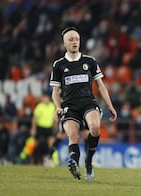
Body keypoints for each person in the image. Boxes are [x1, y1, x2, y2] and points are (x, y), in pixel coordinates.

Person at [50, 27, 117, 181]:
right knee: (73, 136)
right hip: (69, 106)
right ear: (64, 43)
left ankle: (88, 161)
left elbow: (100, 85)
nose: (75, 42)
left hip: (88, 103)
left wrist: (110, 105)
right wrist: (58, 107)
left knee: (94, 127)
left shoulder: (90, 61)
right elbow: (55, 91)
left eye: (77, 39)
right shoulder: (58, 65)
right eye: (71, 39)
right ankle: (73, 162)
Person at [30, 92, 56, 165]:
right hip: (40, 128)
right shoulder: (39, 106)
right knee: (36, 145)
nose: (44, 99)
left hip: (49, 128)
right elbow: (35, 118)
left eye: (46, 97)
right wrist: (33, 129)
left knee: (51, 143)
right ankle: (33, 160)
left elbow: (54, 118)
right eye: (43, 97)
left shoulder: (52, 106)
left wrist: (54, 125)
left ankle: (50, 159)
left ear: (49, 98)